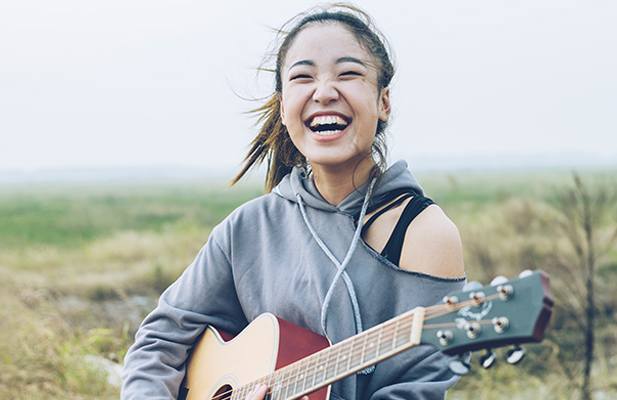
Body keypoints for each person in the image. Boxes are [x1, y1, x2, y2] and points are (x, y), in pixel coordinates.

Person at [120, 4, 466, 400]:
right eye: (303, 78)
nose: (324, 92)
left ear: (384, 102)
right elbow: (158, 341)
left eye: (348, 73)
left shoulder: (423, 233)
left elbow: (419, 388)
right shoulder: (247, 228)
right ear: (284, 109)